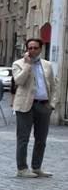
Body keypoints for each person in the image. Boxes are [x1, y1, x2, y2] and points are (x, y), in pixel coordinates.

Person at [11, 37, 57, 177]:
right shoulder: (18, 64)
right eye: (29, 48)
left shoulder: (47, 65)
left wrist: (52, 104)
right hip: (25, 106)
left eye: (35, 48)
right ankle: (22, 169)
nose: (32, 50)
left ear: (40, 49)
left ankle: (37, 167)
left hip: (43, 105)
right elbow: (19, 80)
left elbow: (53, 86)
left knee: (41, 139)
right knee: (23, 139)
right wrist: (27, 65)